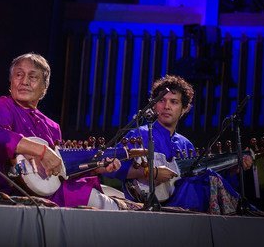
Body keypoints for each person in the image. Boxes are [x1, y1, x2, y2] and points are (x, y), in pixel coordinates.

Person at [0, 53, 126, 210]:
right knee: (89, 197)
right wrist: (42, 150)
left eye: (33, 77)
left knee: (93, 197)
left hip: (42, 197)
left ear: (44, 88)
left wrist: (97, 167)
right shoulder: (1, 105)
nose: (24, 81)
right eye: (18, 75)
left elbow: (58, 172)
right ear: (11, 81)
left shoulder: (52, 126)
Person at [107, 74, 254, 214]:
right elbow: (112, 168)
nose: (167, 106)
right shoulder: (139, 134)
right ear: (153, 106)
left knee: (207, 178)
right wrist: (151, 173)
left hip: (184, 203)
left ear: (184, 109)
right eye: (161, 100)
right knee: (209, 178)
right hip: (147, 203)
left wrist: (233, 170)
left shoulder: (185, 144)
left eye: (174, 102)